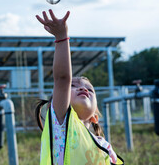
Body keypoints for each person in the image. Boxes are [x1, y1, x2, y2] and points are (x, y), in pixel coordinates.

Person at [34, 9, 124, 165]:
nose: (83, 89)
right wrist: (62, 37)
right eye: (73, 86)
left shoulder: (104, 146)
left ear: (94, 117)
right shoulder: (61, 127)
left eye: (90, 89)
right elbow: (62, 79)